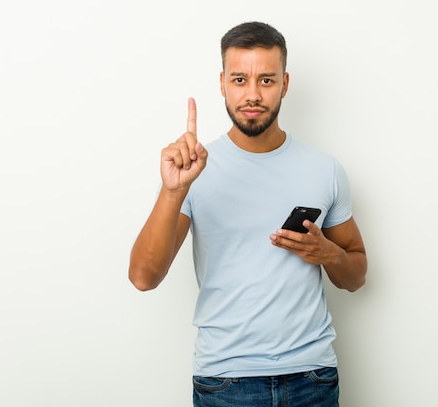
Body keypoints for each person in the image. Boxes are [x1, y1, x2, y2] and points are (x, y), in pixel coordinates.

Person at [129, 21, 367, 407]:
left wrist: (328, 254)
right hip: (226, 382)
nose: (252, 94)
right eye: (240, 79)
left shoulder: (325, 169)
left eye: (267, 81)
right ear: (222, 83)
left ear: (285, 84)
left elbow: (356, 276)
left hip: (312, 378)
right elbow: (143, 277)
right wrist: (174, 190)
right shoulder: (194, 170)